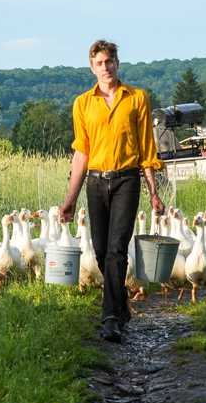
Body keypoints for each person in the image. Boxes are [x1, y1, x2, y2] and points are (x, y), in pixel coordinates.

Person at [59, 39, 165, 343]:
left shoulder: (137, 98)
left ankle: (110, 318)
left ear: (117, 63)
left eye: (110, 61)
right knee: (102, 249)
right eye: (99, 63)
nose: (105, 67)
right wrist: (69, 200)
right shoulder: (82, 104)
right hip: (95, 182)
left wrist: (154, 193)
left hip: (126, 181)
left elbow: (147, 149)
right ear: (92, 67)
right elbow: (81, 154)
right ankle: (121, 306)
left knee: (117, 249)